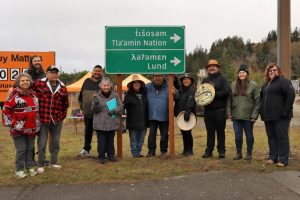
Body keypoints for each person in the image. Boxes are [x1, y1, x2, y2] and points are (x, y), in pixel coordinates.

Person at [2, 73, 39, 178]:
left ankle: (30, 167)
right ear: (18, 82)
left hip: (32, 129)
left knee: (30, 149)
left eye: (27, 80)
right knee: (21, 150)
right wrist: (14, 124)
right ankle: (19, 170)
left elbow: (37, 111)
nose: (25, 82)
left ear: (30, 82)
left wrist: (37, 124)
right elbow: (5, 111)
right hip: (18, 130)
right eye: (22, 80)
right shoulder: (13, 95)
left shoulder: (34, 94)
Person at [34, 65, 69, 173]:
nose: (54, 74)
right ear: (47, 73)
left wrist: (62, 116)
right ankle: (40, 164)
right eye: (51, 72)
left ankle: (53, 162)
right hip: (43, 119)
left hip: (57, 119)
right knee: (42, 143)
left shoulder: (62, 87)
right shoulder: (39, 83)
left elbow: (65, 104)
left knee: (55, 142)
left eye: (55, 72)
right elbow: (32, 95)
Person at [260, 63, 295, 167]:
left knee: (282, 137)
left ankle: (283, 159)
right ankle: (273, 157)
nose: (272, 72)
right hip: (268, 116)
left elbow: (291, 95)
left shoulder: (283, 82)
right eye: (270, 70)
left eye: (274, 70)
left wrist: (285, 110)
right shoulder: (266, 84)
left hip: (281, 117)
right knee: (271, 137)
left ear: (278, 71)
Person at [227, 64, 260, 160]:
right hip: (236, 115)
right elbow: (229, 100)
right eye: (240, 72)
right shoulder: (233, 85)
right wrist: (229, 112)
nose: (241, 74)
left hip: (248, 116)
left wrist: (254, 115)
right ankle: (239, 153)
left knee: (249, 135)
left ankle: (249, 153)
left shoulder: (254, 85)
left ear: (247, 74)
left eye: (243, 72)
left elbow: (258, 101)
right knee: (238, 135)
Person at [201, 59, 231, 159]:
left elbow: (227, 91)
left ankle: (221, 151)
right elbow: (201, 94)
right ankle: (209, 151)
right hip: (208, 110)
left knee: (220, 131)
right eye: (209, 66)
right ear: (207, 69)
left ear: (217, 68)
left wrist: (213, 93)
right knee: (210, 132)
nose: (211, 68)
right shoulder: (205, 80)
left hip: (219, 110)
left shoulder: (223, 79)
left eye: (213, 66)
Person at [91, 77, 123, 164]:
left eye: (108, 85)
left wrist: (113, 110)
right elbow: (94, 110)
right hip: (100, 123)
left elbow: (121, 106)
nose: (106, 87)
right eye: (104, 85)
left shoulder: (115, 95)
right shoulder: (96, 96)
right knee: (101, 141)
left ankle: (111, 155)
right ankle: (101, 157)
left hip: (112, 122)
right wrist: (96, 103)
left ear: (110, 86)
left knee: (110, 140)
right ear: (101, 86)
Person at [77, 65, 104, 156]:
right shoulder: (86, 81)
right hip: (88, 113)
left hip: (101, 113)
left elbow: (111, 97)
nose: (97, 72)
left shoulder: (105, 82)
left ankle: (103, 151)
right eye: (95, 71)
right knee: (88, 132)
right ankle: (86, 149)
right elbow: (81, 97)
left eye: (99, 71)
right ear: (92, 72)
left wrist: (111, 112)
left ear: (102, 73)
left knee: (102, 132)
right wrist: (82, 108)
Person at [146, 74, 174, 157]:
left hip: (164, 116)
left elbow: (177, 96)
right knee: (151, 134)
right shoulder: (147, 87)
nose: (157, 78)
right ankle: (151, 151)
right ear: (153, 77)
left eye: (160, 76)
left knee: (164, 135)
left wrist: (174, 92)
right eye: (156, 76)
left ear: (163, 77)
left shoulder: (169, 86)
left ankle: (163, 151)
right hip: (152, 115)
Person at [123, 75, 148, 158]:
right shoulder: (128, 95)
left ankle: (138, 151)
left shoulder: (145, 93)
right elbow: (123, 105)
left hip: (144, 121)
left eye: (138, 83)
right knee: (133, 139)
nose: (136, 84)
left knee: (141, 139)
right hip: (132, 121)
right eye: (134, 83)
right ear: (132, 85)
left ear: (140, 84)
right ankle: (135, 153)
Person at [174, 73, 196, 156]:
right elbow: (176, 85)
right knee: (183, 133)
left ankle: (189, 151)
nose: (186, 81)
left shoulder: (192, 90)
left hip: (188, 115)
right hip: (180, 115)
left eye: (188, 79)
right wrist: (175, 77)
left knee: (188, 133)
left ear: (191, 81)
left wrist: (187, 114)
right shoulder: (181, 89)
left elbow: (190, 103)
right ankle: (185, 150)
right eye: (184, 79)